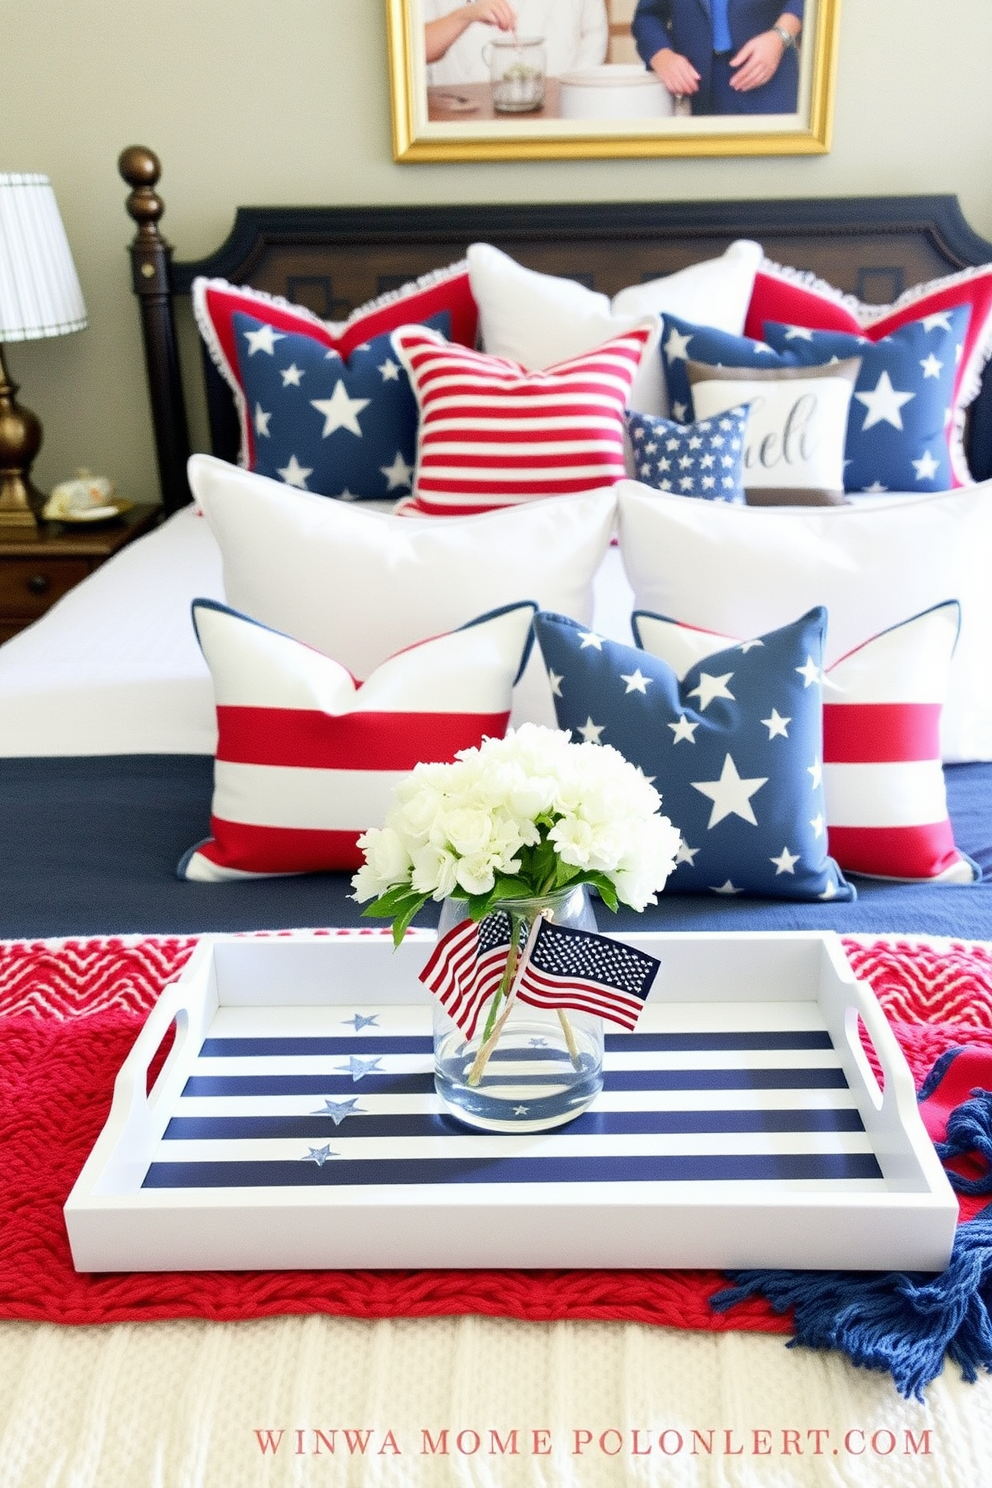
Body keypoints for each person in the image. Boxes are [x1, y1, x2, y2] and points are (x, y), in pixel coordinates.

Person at [631, 0, 803, 116]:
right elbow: (648, 16)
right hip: (697, 90)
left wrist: (780, 35)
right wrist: (662, 56)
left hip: (770, 82)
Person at [424, 0, 608, 87]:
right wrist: (465, 14)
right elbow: (417, 46)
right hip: (459, 117)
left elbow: (595, 33)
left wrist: (572, 89)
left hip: (557, 113)